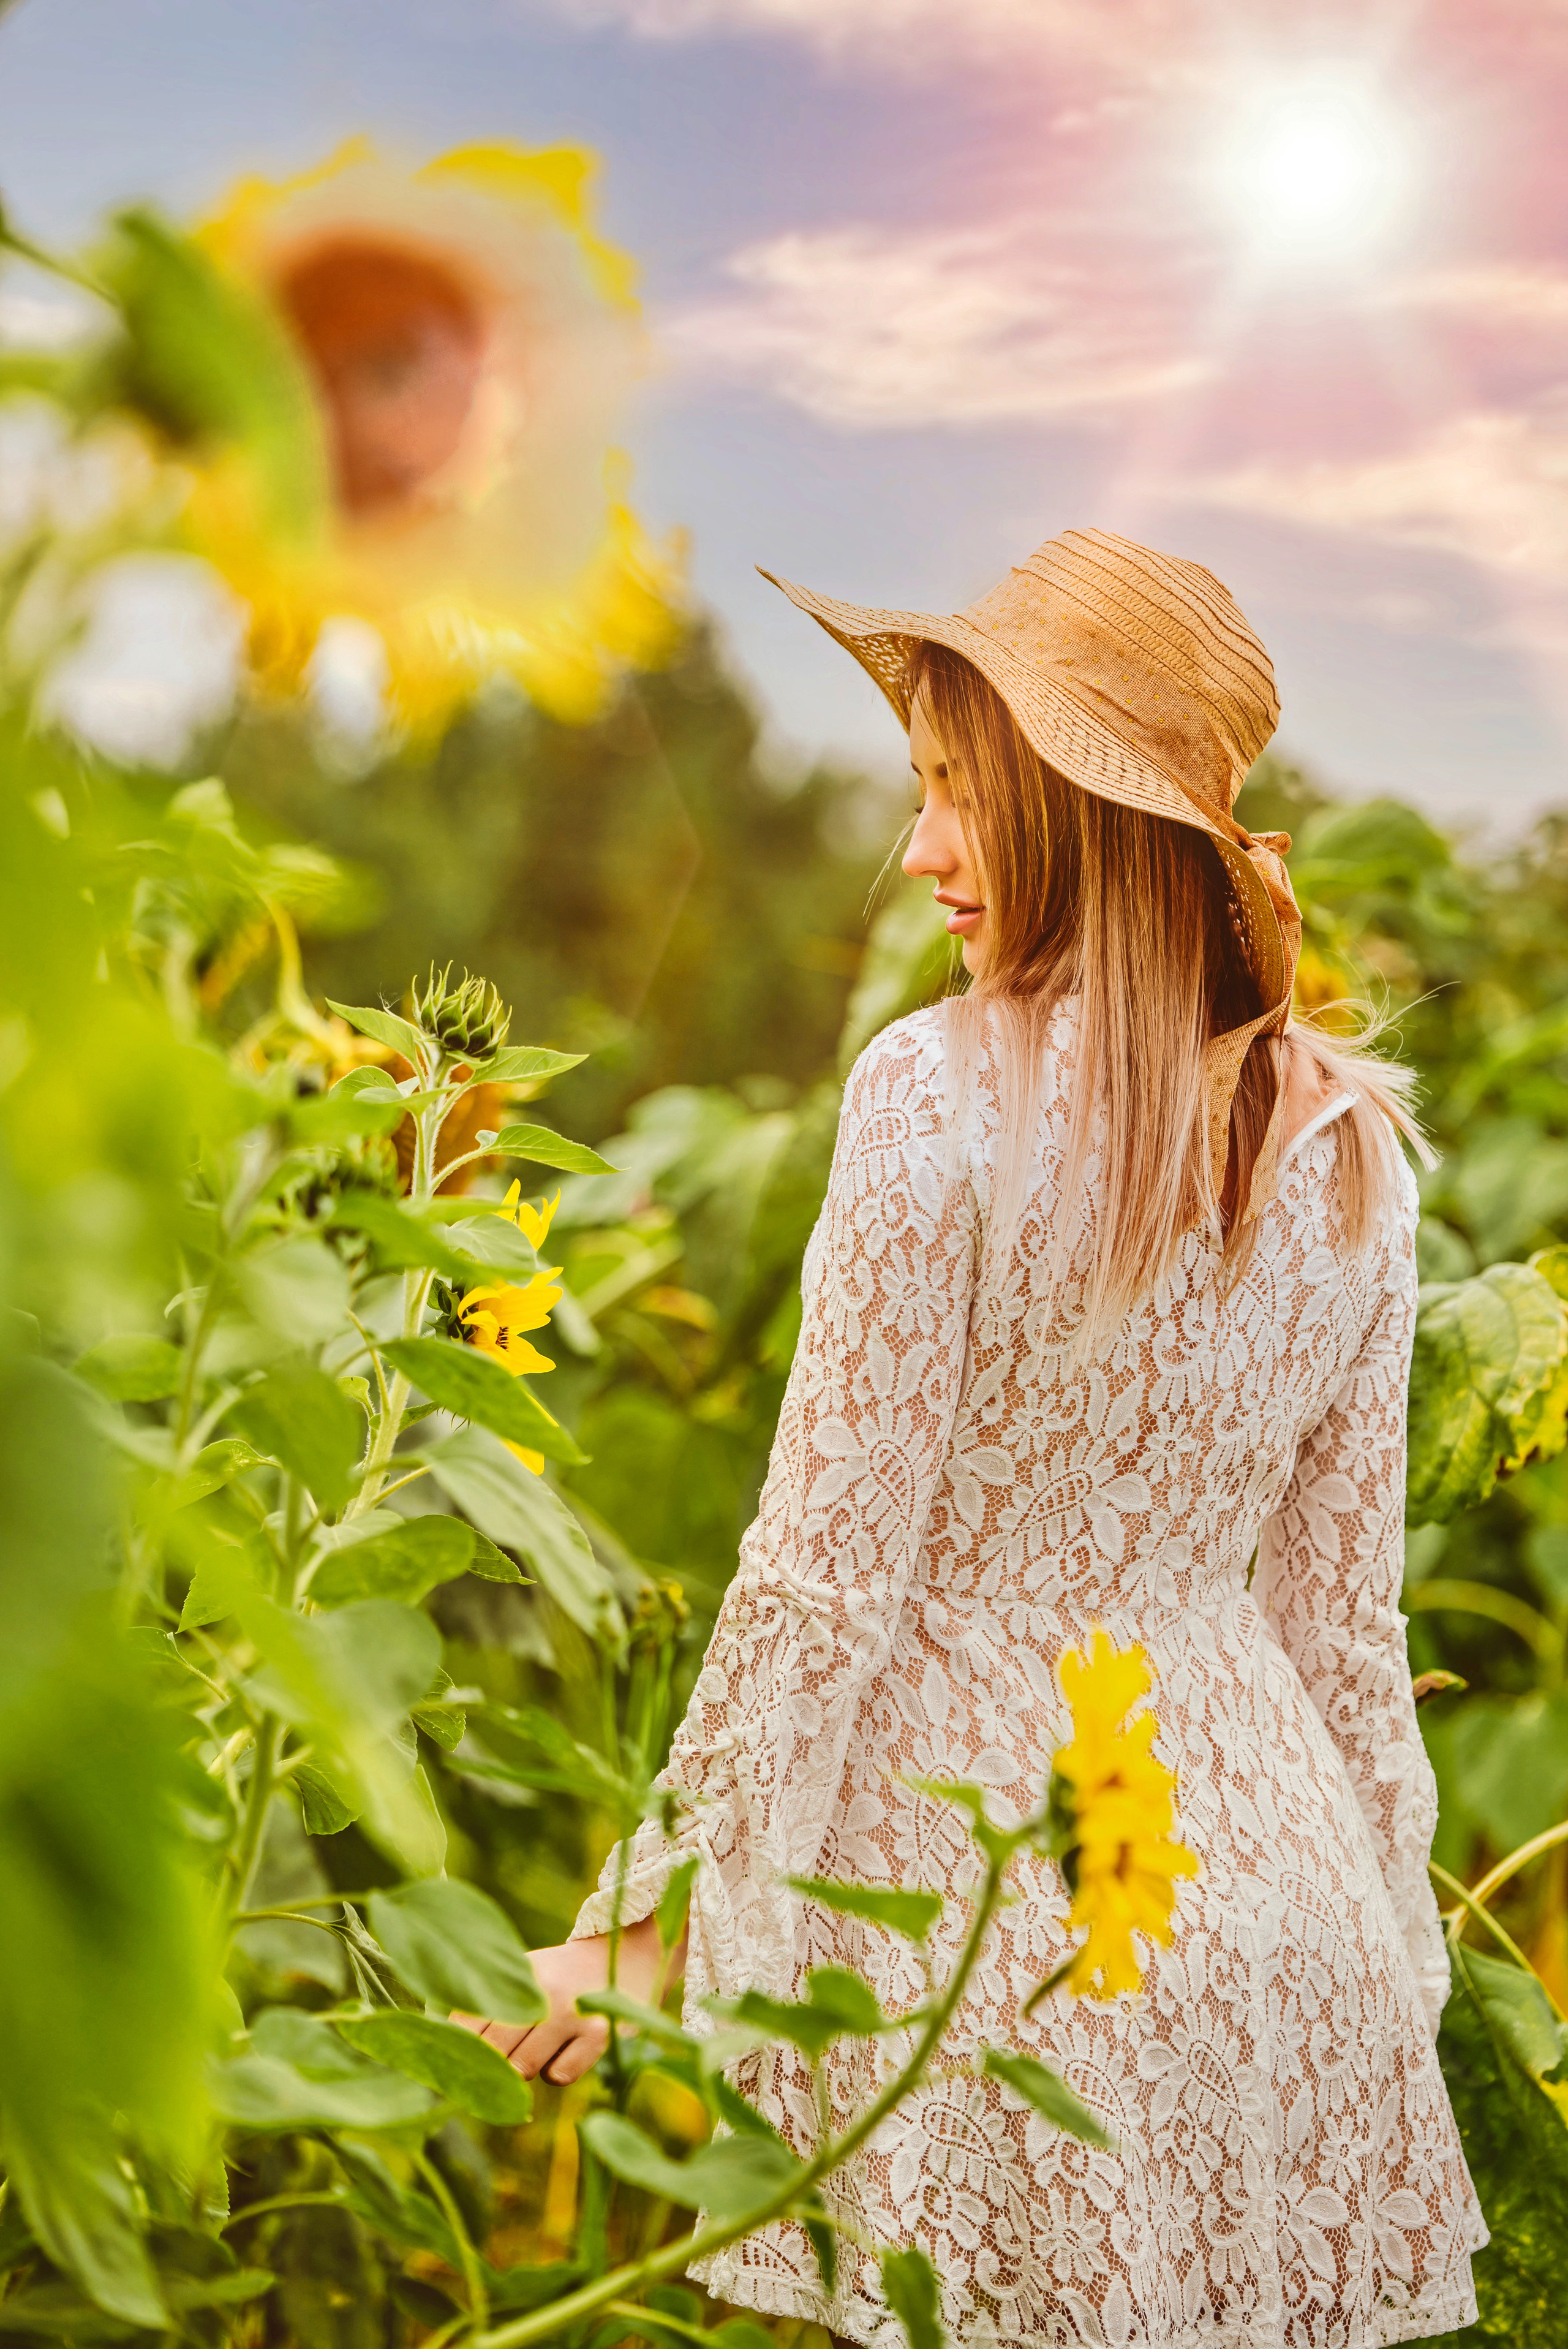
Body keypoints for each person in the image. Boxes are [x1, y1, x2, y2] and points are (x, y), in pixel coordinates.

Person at [460, 531, 1486, 2346]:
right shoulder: (1355, 1162)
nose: (920, 851)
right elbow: (1345, 1640)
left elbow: (821, 1580)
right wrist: (1382, 1975)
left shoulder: (931, 1099)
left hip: (1001, 1922)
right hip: (1273, 1930)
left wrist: (646, 1919)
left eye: (958, 797)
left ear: (1085, 812)